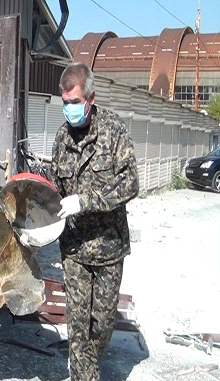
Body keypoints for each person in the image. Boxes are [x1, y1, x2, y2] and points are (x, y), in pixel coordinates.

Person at [51, 62, 139, 381]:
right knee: (77, 326)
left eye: (74, 102)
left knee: (101, 326)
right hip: (74, 249)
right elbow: (54, 189)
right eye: (64, 103)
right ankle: (84, 374)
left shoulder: (114, 131)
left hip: (108, 247)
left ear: (91, 98)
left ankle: (90, 363)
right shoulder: (62, 137)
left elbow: (130, 182)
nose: (69, 109)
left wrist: (85, 201)